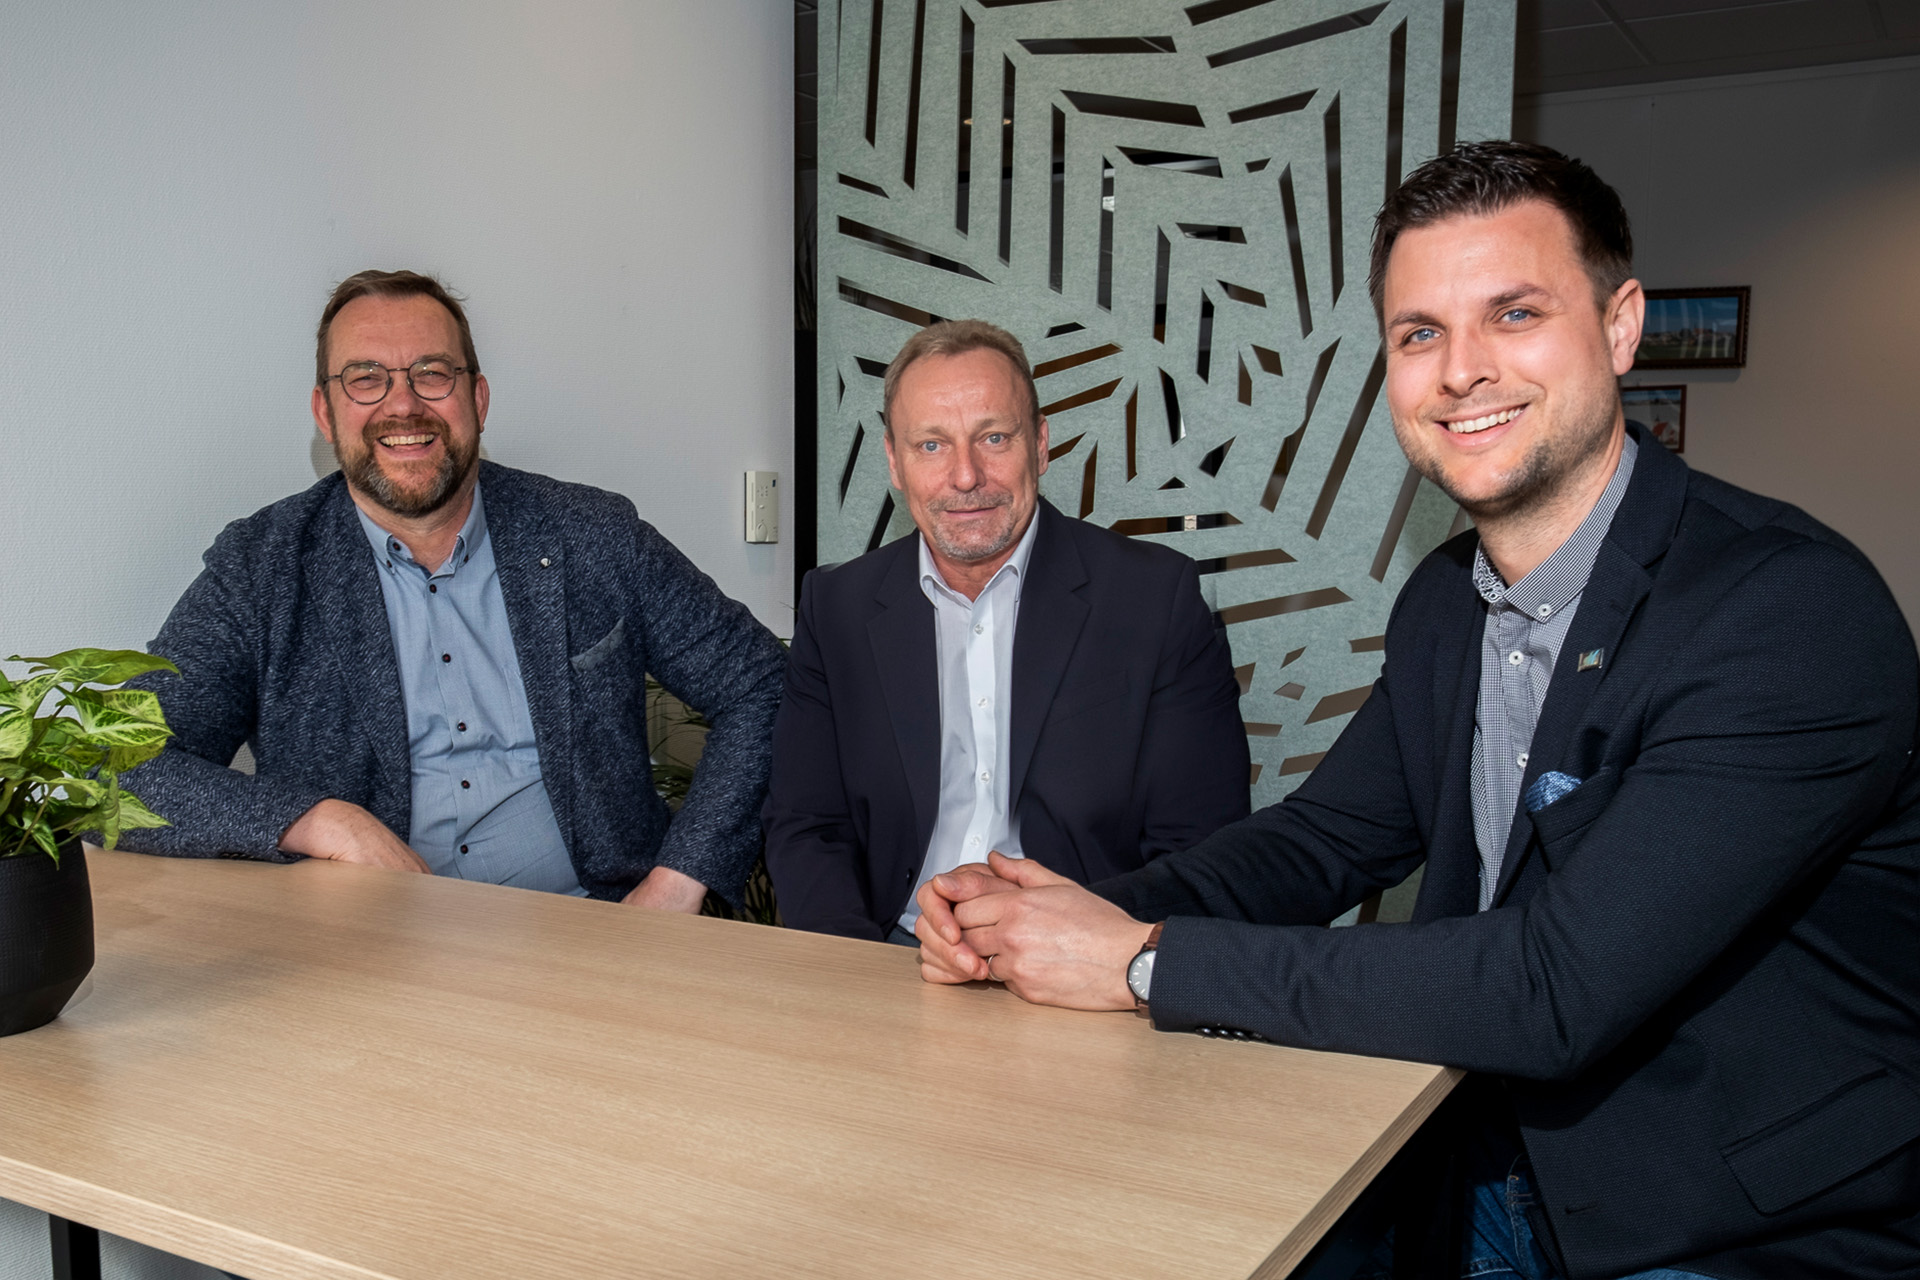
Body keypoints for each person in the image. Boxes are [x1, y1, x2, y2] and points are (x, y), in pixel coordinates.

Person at [915, 143, 1920, 1278]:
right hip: (1476, 1162)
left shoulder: (1788, 610)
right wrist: (1047, 911)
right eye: (1420, 333)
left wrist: (1146, 960)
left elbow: (1552, 986)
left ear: (1622, 324)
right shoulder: (1446, 600)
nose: (1462, 371)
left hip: (1734, 1219)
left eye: (1516, 313)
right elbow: (1322, 841)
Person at [120, 270, 787, 910]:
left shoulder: (593, 535)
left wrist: (681, 877)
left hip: (596, 930)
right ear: (326, 412)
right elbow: (115, 766)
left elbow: (762, 682)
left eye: (432, 375)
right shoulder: (262, 568)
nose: (403, 404)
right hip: (367, 954)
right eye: (366, 379)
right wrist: (321, 822)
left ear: (479, 400)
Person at [764, 320, 1251, 944]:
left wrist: (1088, 953)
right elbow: (808, 826)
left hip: (1085, 965)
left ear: (1041, 445)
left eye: (994, 437)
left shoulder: (1157, 601)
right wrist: (861, 981)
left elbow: (1199, 846)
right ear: (894, 461)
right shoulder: (836, 609)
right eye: (931, 445)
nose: (966, 476)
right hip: (889, 955)